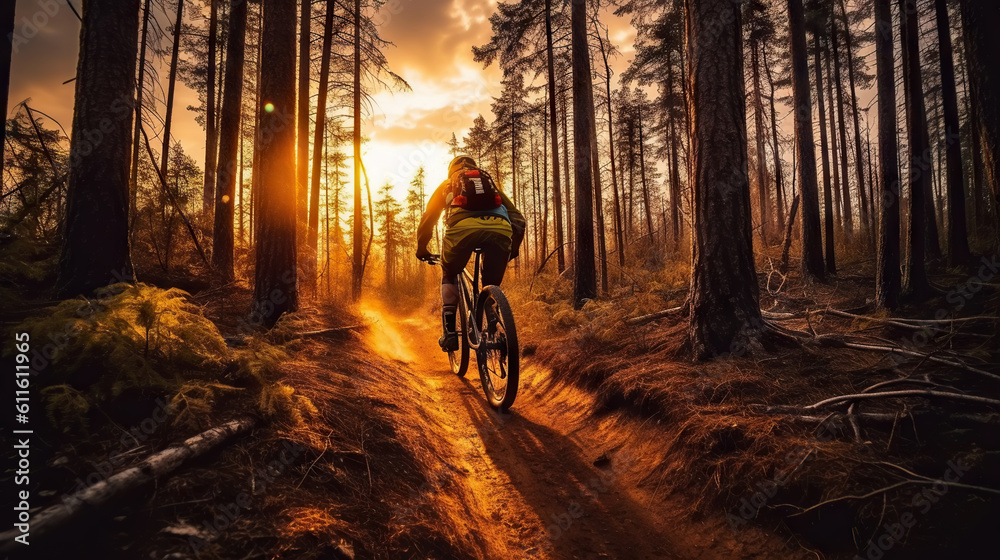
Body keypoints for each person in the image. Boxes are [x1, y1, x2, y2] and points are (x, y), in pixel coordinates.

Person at [416, 156, 525, 351]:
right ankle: (491, 313)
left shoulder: (448, 184)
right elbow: (517, 217)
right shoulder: (491, 186)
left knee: (449, 271)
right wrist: (512, 249)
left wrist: (422, 248)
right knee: (490, 283)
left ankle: (450, 334)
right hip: (500, 230)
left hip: (461, 231)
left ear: (452, 170)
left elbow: (429, 217)